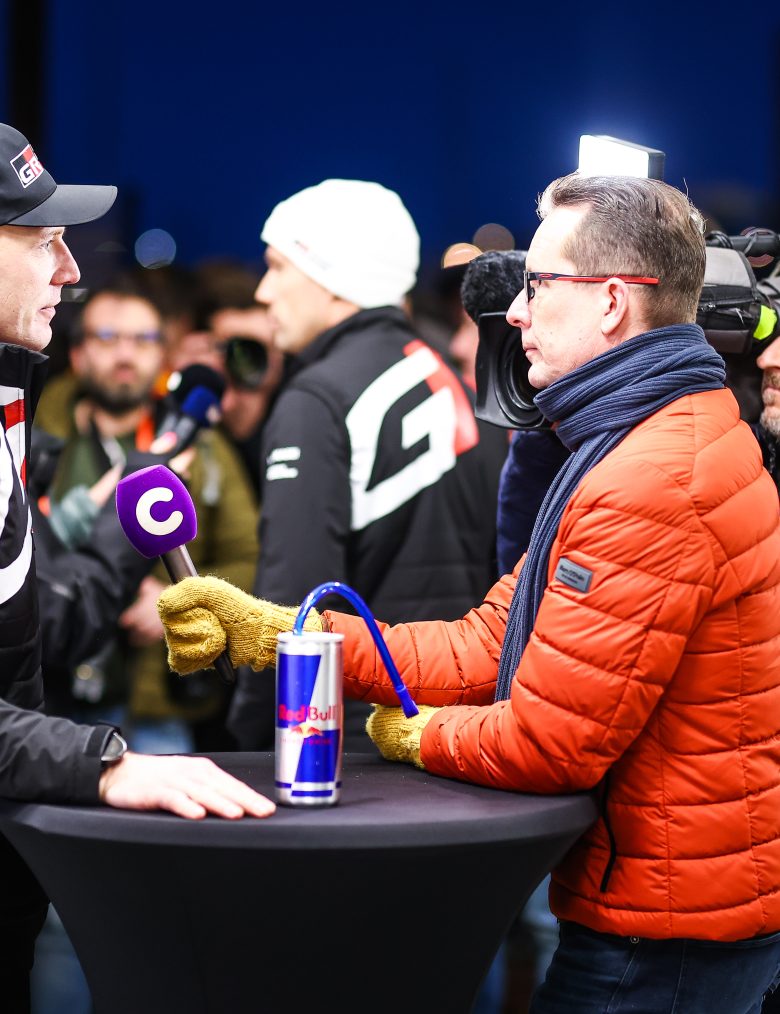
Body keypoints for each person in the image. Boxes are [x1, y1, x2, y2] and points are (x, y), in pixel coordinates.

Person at [159, 173, 780, 1014]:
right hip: (675, 899)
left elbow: (551, 744)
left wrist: (418, 736)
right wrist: (283, 634)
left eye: (539, 284)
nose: (515, 311)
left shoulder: (650, 475)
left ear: (611, 302)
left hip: (667, 933)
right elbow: (490, 640)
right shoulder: (641, 434)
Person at [0, 121, 274, 1010]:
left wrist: (141, 537)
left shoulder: (10, 409)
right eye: (42, 240)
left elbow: (32, 617)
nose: (69, 269)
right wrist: (104, 761)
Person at [228, 178, 501, 750]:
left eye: (277, 267)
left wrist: (251, 734)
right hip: (456, 729)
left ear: (333, 279)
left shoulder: (316, 398)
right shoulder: (452, 382)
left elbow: (290, 606)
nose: (263, 292)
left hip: (345, 739)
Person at [34, 279, 259, 753]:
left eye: (143, 339)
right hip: (51, 693)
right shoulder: (33, 435)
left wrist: (177, 598)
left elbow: (252, 558)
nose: (125, 354)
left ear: (163, 355)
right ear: (78, 354)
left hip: (158, 701)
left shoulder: (202, 448)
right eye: (107, 337)